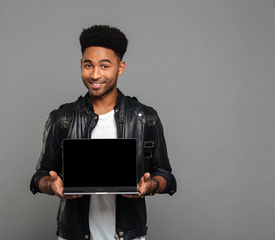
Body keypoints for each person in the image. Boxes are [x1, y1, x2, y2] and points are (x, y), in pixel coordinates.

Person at [30, 25, 176, 240]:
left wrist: (150, 185)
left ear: (120, 67)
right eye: (88, 65)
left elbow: (166, 176)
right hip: (74, 236)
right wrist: (52, 185)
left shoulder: (146, 118)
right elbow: (39, 177)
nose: (95, 74)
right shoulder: (62, 118)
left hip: (129, 236)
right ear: (81, 65)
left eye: (105, 66)